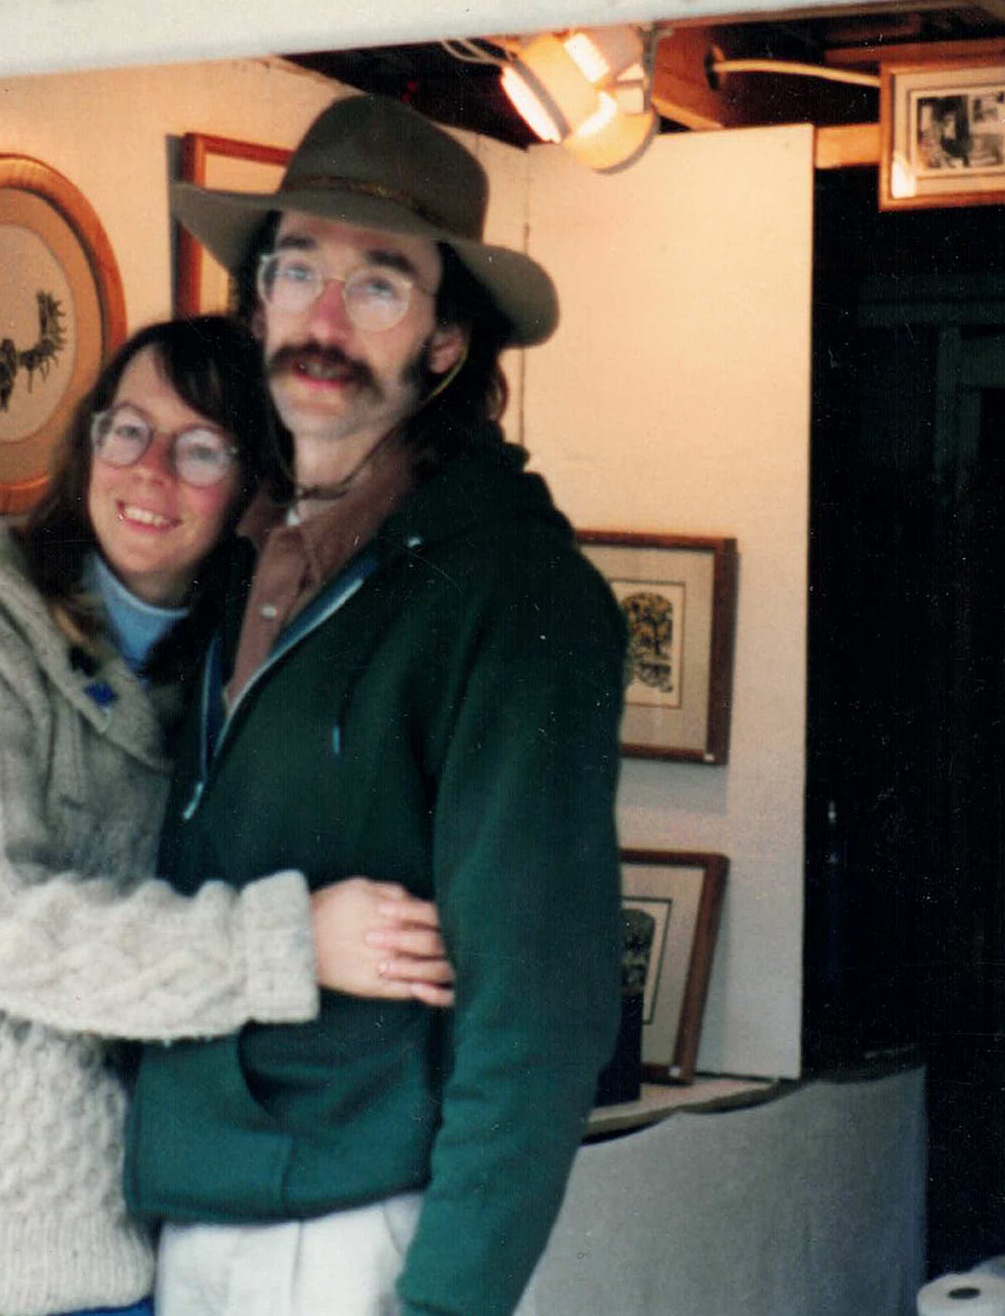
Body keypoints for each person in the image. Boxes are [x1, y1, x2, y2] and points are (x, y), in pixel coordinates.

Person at [0, 316, 453, 1316]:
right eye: (127, 429)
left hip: (101, 1259)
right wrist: (291, 940)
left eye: (201, 447)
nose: (150, 469)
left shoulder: (231, 684)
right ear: (88, 441)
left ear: (256, 490)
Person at [128, 94, 628, 1316]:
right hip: (176, 1205)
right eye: (297, 270)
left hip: (351, 1238)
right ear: (255, 304)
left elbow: (540, 1010)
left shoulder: (516, 596)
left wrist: (447, 1303)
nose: (323, 320)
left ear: (447, 345)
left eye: (379, 286)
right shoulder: (229, 554)